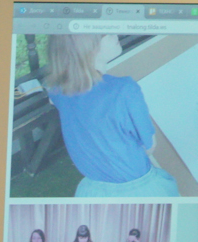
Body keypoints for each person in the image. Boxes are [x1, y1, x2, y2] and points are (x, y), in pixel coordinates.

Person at [44, 34, 178, 197]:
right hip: (139, 188)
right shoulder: (125, 90)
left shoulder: (57, 90)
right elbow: (149, 146)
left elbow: (54, 97)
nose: (115, 33)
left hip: (92, 191)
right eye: (105, 32)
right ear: (86, 48)